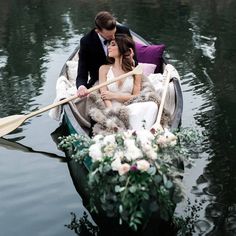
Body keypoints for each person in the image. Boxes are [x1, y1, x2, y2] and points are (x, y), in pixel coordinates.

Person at [98, 34, 158, 131]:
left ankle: (138, 131)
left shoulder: (135, 72)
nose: (108, 47)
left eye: (113, 45)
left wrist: (114, 95)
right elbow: (104, 96)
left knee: (153, 105)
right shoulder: (104, 69)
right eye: (109, 45)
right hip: (112, 109)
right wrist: (112, 112)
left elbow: (136, 97)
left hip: (130, 107)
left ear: (122, 48)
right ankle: (136, 131)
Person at [76, 11, 134, 97]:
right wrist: (81, 87)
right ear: (98, 31)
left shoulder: (124, 31)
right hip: (99, 81)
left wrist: (130, 59)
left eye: (114, 33)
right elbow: (82, 72)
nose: (114, 37)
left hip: (125, 76)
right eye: (109, 36)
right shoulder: (86, 41)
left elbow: (135, 60)